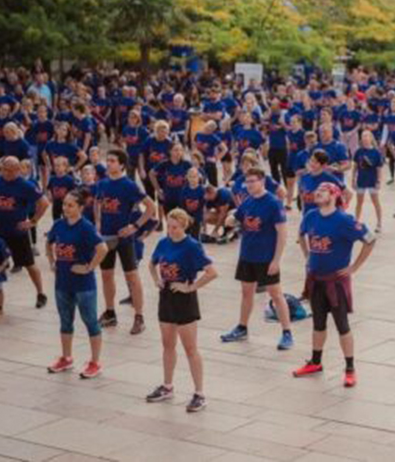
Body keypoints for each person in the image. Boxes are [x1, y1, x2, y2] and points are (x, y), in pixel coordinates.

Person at [293, 182, 375, 386]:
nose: (318, 193)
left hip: (336, 282)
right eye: (317, 191)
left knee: (342, 326)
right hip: (315, 279)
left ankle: (350, 368)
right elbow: (301, 235)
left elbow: (370, 239)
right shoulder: (311, 215)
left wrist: (354, 267)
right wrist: (307, 256)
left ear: (334, 195)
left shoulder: (344, 220)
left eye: (323, 191)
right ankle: (315, 362)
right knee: (318, 324)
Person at [145, 209, 218, 413]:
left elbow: (212, 272)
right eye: (169, 226)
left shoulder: (192, 246)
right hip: (166, 296)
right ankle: (167, 386)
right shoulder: (163, 242)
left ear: (184, 226)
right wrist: (156, 280)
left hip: (184, 299)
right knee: (167, 344)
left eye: (175, 227)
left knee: (190, 348)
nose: (171, 230)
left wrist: (190, 287)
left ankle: (199, 393)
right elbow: (152, 264)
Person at [220, 167, 294, 350]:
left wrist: (276, 260)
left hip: (266, 257)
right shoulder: (248, 201)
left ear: (262, 182)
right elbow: (236, 217)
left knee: (276, 294)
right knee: (246, 293)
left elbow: (283, 233)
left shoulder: (273, 203)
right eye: (248, 181)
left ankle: (287, 333)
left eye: (253, 181)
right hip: (247, 255)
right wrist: (230, 219)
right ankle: (242, 327)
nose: (249, 185)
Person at [46, 190, 109, 378]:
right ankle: (66, 358)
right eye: (64, 204)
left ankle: (95, 362)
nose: (66, 208)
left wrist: (89, 267)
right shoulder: (58, 225)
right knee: (65, 321)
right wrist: (51, 262)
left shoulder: (86, 227)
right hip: (62, 282)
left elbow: (102, 248)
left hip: (84, 285)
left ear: (80, 208)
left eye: (70, 205)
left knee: (90, 321)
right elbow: (49, 243)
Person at [95, 149, 156, 334]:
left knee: (132, 277)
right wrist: (97, 222)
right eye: (108, 160)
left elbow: (151, 207)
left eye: (112, 161)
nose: (109, 164)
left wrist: (135, 226)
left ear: (121, 164)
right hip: (106, 237)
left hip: (125, 239)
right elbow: (98, 202)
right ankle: (110, 312)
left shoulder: (129, 185)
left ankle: (139, 317)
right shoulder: (102, 183)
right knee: (106, 275)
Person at [0, 156, 49, 307]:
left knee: (29, 265)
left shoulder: (25, 185)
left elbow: (44, 202)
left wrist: (32, 222)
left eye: (10, 170)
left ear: (18, 170)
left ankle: (41, 293)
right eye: (4, 169)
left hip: (17, 233)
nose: (6, 173)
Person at [352, 130, 384, 232]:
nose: (365, 138)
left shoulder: (376, 152)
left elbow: (379, 168)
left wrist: (378, 181)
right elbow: (355, 167)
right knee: (359, 202)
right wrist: (353, 179)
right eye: (363, 136)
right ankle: (356, 221)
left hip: (372, 180)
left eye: (367, 136)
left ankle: (379, 223)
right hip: (361, 180)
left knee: (376, 202)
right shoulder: (359, 152)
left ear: (371, 138)